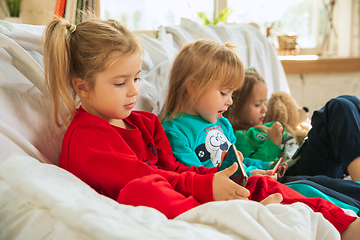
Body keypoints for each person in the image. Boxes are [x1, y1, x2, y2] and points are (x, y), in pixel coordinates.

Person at [43, 16, 288, 221]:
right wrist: (204, 186)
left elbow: (176, 170)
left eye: (136, 79)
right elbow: (140, 179)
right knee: (142, 190)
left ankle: (243, 210)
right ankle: (232, 218)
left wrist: (217, 176)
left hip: (176, 197)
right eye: (120, 83)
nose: (133, 91)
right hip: (133, 209)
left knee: (246, 181)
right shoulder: (86, 137)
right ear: (82, 87)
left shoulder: (147, 122)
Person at [162, 39, 360, 237]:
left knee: (325, 184)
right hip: (242, 189)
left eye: (231, 93)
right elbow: (194, 177)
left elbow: (240, 160)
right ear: (193, 86)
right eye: (224, 92)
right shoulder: (174, 130)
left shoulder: (222, 124)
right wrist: (248, 174)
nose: (230, 101)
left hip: (257, 180)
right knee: (306, 189)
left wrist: (262, 168)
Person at [224, 68, 360, 215]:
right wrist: (272, 143)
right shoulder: (240, 136)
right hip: (291, 173)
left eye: (265, 103)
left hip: (298, 159)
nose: (264, 109)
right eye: (257, 105)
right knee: (338, 106)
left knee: (348, 101)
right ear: (235, 108)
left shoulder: (264, 125)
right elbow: (252, 170)